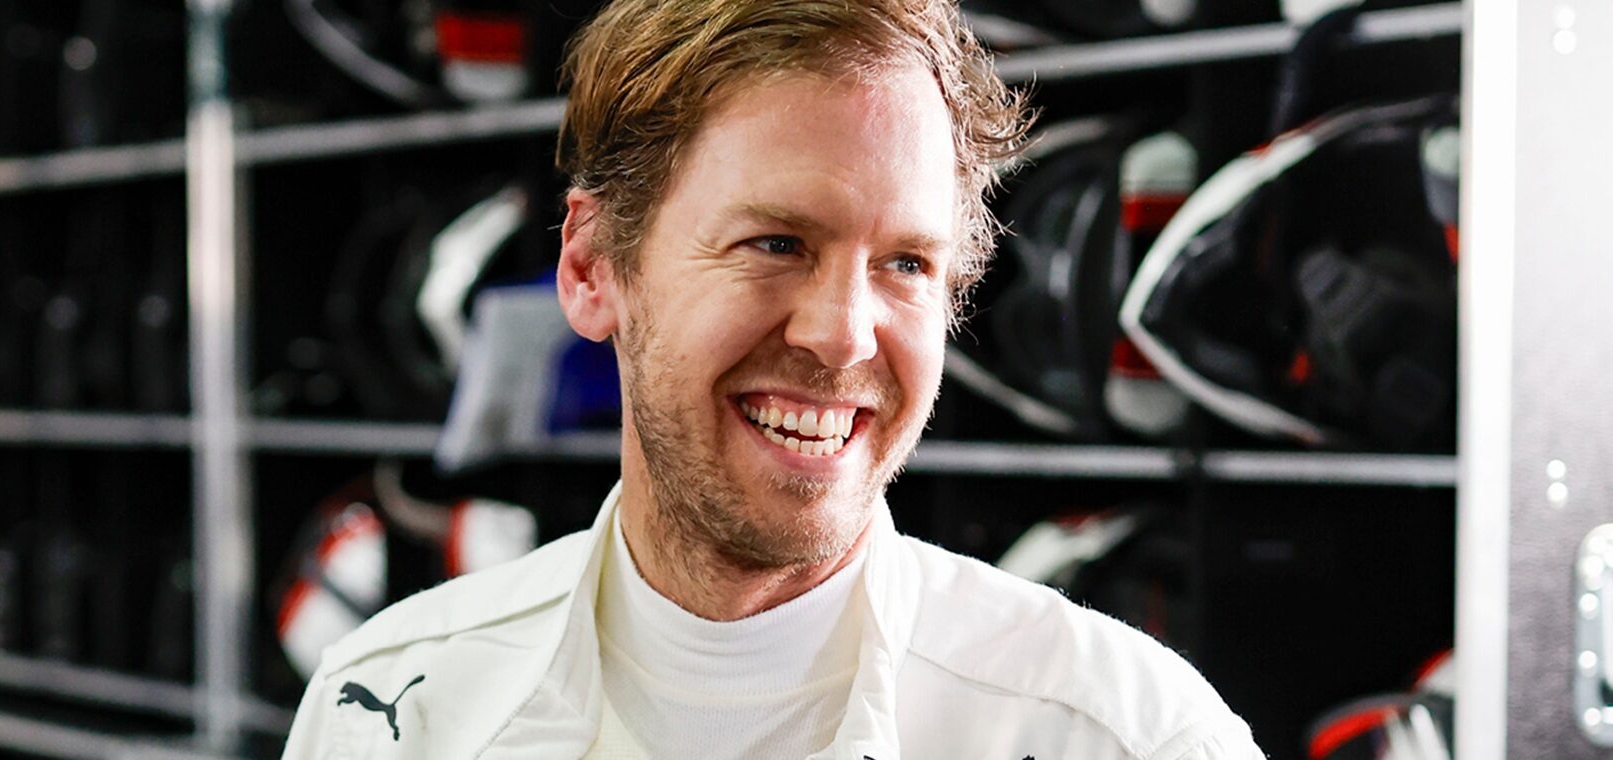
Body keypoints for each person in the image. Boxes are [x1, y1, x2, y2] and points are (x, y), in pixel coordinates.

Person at [282, 0, 1266, 757]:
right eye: (776, 243)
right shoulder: (390, 711)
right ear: (591, 268)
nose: (843, 336)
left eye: (906, 264)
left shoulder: (1126, 736)